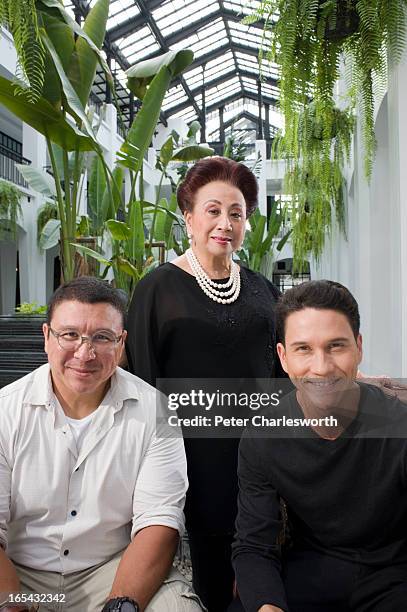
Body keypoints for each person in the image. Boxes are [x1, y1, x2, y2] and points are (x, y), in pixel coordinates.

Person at [126, 157, 283, 612]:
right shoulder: (158, 288)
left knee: (255, 575)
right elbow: (140, 381)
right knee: (203, 584)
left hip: (255, 454)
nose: (225, 223)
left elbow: (282, 373)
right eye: (213, 210)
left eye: (236, 213)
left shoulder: (261, 290)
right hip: (185, 454)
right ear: (189, 216)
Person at [0, 276, 204, 612]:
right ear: (46, 337)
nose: (85, 353)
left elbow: (159, 522)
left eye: (102, 337)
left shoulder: (156, 412)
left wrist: (120, 605)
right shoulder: (7, 410)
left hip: (112, 571)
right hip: (23, 577)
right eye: (70, 335)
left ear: (121, 344)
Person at [232, 280, 407, 612]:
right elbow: (254, 545)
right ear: (283, 358)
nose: (322, 367)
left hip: (394, 577)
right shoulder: (263, 435)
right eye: (303, 349)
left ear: (359, 347)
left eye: (336, 346)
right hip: (309, 574)